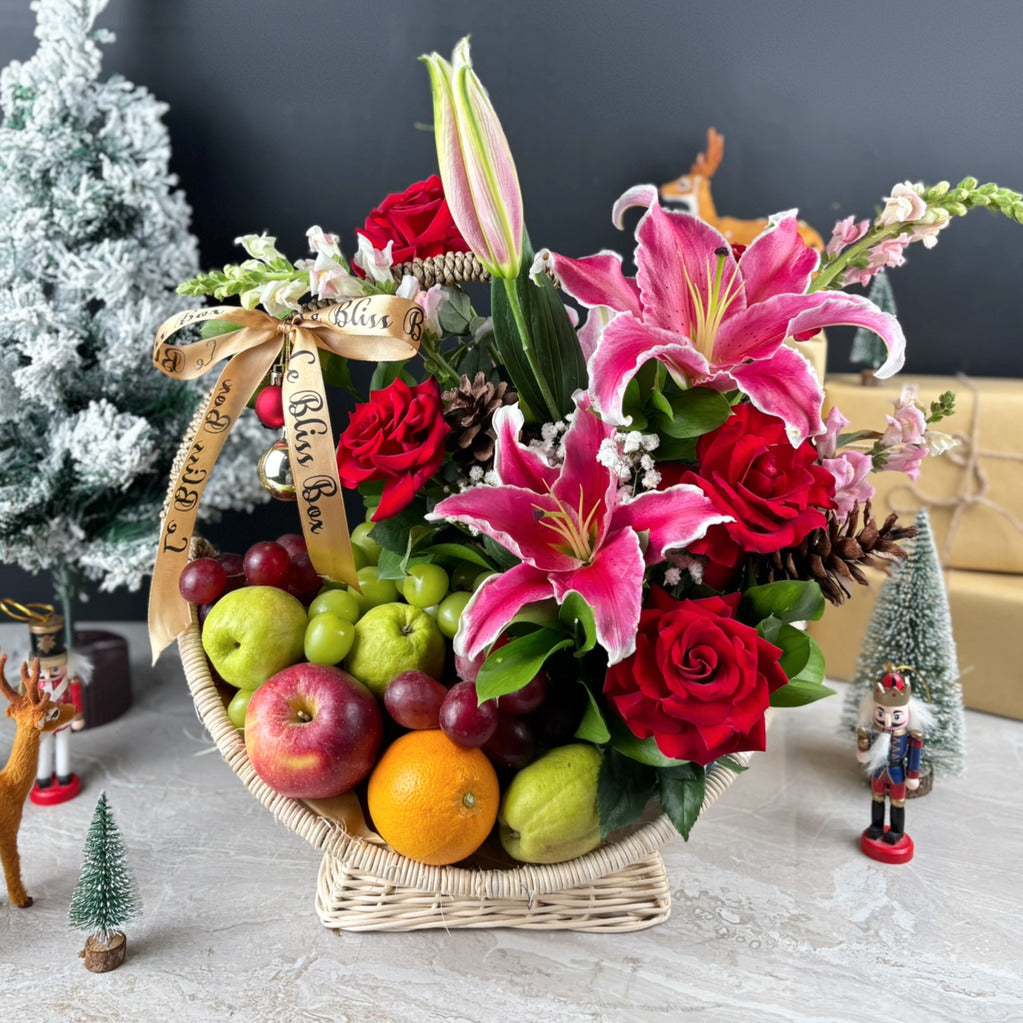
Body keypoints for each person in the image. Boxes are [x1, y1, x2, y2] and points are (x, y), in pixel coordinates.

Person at [856, 666, 931, 862]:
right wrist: (863, 750)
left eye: (895, 716)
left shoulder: (910, 737)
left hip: (898, 773)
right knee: (877, 799)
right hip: (878, 772)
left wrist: (913, 775)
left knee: (898, 803)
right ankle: (876, 827)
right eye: (881, 714)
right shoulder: (874, 731)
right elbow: (865, 744)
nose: (888, 720)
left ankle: (897, 831)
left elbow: (915, 754)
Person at [28, 613, 81, 805]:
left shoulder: (70, 681)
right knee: (43, 749)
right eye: (43, 670)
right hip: (43, 724)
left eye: (55, 669)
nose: (49, 674)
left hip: (64, 721)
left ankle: (64, 774)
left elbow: (75, 698)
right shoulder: (34, 686)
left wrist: (77, 716)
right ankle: (43, 778)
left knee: (63, 747)